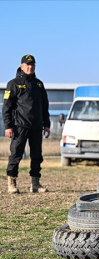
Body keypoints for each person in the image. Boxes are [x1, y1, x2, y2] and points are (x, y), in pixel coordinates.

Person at [2, 54, 50, 194]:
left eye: (32, 65)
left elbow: (44, 106)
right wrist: (8, 126)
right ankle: (12, 182)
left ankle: (35, 184)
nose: (30, 67)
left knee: (36, 156)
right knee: (16, 155)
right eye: (27, 64)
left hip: (36, 126)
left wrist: (46, 124)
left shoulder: (39, 84)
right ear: (22, 66)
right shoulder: (13, 84)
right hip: (19, 126)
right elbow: (7, 108)